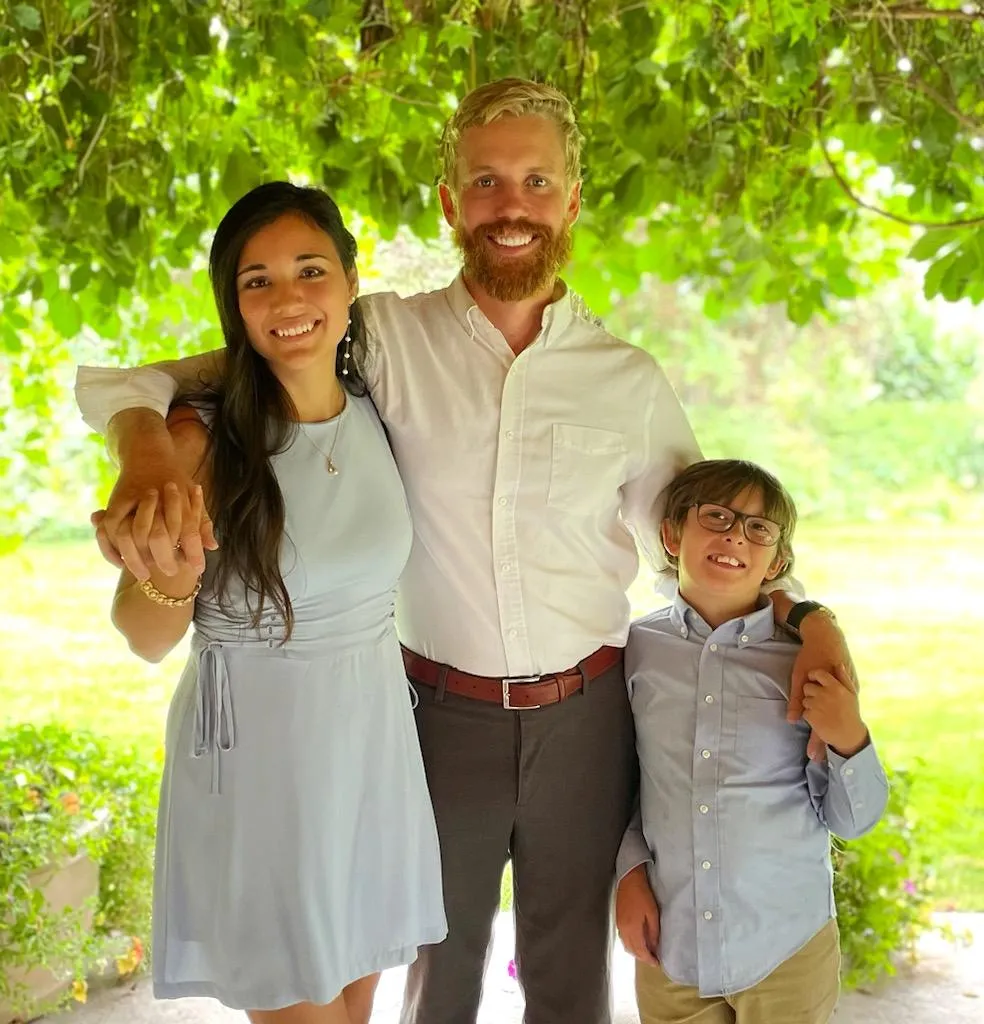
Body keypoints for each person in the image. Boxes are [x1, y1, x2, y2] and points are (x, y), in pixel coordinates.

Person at [76, 79, 854, 1024]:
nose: (511, 205)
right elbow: (189, 372)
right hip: (432, 717)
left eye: (536, 181)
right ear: (451, 203)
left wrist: (811, 622)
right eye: (486, 182)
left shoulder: (627, 382)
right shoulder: (380, 337)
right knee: (431, 977)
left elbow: (713, 548)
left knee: (570, 987)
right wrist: (147, 442)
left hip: (586, 715)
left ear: (572, 199)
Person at [108, 181, 446, 1024]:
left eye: (309, 270)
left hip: (371, 753)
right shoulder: (204, 435)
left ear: (349, 281)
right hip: (263, 764)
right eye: (256, 280)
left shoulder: (377, 400)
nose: (287, 298)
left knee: (356, 1005)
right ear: (233, 304)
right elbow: (142, 634)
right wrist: (173, 573)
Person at [614, 459, 888, 1024]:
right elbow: (617, 779)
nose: (735, 535)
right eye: (716, 516)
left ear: (777, 562)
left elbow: (851, 819)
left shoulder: (805, 662)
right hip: (674, 945)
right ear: (671, 534)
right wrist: (628, 872)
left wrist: (849, 739)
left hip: (786, 946)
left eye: (757, 529)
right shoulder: (635, 650)